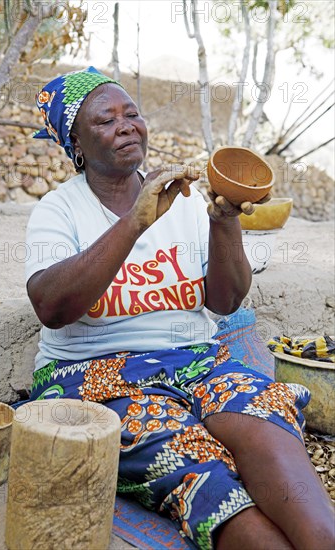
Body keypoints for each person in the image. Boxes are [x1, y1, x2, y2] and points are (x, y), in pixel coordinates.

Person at [24, 67, 334, 550]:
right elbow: (51, 306)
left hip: (197, 361)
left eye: (133, 114)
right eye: (106, 120)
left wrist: (223, 220)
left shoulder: (186, 201)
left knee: (268, 425)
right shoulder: (58, 210)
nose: (126, 125)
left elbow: (225, 301)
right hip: (94, 376)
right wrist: (135, 223)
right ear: (77, 144)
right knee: (199, 474)